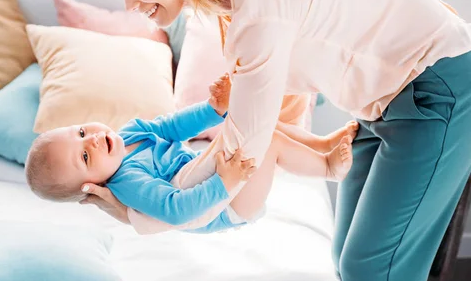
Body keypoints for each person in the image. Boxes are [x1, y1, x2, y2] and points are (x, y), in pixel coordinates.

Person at [82, 0, 471, 281]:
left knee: (371, 270)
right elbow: (251, 125)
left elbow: (243, 151)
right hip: (384, 103)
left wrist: (138, 212)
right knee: (347, 262)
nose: (131, 4)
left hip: (436, 89)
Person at [26, 74, 356, 233]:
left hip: (212, 179)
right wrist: (224, 184)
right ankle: (327, 167)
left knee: (262, 125)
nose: (93, 140)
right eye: (84, 157)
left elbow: (171, 127)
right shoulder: (127, 181)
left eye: (82, 132)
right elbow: (177, 210)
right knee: (265, 140)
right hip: (223, 207)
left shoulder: (128, 134)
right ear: (91, 186)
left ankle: (322, 144)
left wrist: (214, 109)